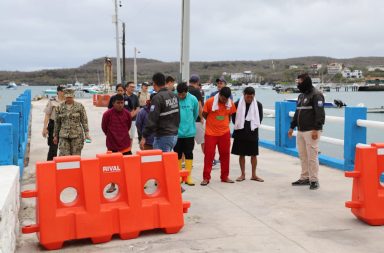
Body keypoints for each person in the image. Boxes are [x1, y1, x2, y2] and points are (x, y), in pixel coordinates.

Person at [288, 73, 325, 190]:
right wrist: (292, 127)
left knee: (312, 156)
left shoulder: (317, 95)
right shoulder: (301, 96)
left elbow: (320, 114)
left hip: (311, 131)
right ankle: (305, 177)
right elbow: (297, 113)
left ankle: (314, 180)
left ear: (306, 82)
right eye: (297, 82)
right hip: (300, 131)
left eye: (299, 82)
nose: (298, 84)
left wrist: (316, 128)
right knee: (303, 156)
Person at [201, 87, 236, 186]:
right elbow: (204, 114)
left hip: (224, 133)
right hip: (211, 133)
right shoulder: (210, 102)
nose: (224, 101)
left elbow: (230, 115)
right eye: (223, 99)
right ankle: (206, 178)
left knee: (225, 155)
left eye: (226, 99)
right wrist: (213, 122)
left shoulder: (230, 103)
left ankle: (225, 177)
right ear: (219, 94)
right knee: (209, 155)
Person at [140, 72, 180, 152]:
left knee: (160, 163)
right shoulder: (174, 95)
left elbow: (152, 119)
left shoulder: (157, 98)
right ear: (164, 82)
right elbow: (178, 116)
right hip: (174, 135)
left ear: (154, 84)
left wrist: (144, 136)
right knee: (166, 161)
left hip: (163, 137)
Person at [231, 87, 264, 182]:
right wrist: (242, 125)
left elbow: (259, 119)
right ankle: (242, 174)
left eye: (251, 97)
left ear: (254, 95)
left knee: (254, 154)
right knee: (242, 154)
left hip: (252, 132)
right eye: (248, 97)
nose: (249, 99)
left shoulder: (258, 105)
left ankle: (254, 175)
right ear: (243, 95)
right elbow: (234, 119)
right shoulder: (237, 104)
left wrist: (250, 126)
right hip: (240, 132)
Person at [174, 82, 198, 186]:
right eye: (178, 94)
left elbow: (195, 113)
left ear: (186, 92)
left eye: (182, 94)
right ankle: (179, 175)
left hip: (189, 133)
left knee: (189, 153)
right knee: (177, 154)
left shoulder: (193, 99)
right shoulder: (174, 98)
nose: (180, 96)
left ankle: (188, 176)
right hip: (177, 133)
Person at [53, 89, 90, 156]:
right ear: (65, 97)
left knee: (76, 156)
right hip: (63, 135)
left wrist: (87, 134)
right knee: (64, 156)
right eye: (67, 97)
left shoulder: (79, 106)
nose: (69, 99)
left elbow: (84, 121)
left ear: (73, 96)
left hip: (77, 135)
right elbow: (57, 123)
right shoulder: (59, 107)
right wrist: (55, 136)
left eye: (70, 97)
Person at [42, 85, 65, 160]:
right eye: (61, 91)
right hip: (53, 125)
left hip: (65, 126)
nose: (63, 92)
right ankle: (50, 165)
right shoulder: (52, 101)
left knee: (65, 148)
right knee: (53, 148)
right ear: (58, 92)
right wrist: (45, 128)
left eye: (64, 90)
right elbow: (47, 115)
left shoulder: (68, 101)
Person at [188, 74, 205, 152]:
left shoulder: (185, 90)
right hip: (197, 120)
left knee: (187, 143)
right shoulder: (196, 91)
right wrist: (201, 118)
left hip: (187, 121)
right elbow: (199, 107)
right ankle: (209, 159)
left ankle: (184, 162)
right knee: (203, 141)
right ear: (197, 82)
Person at [125, 81, 140, 147]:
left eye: (133, 87)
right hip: (123, 120)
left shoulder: (135, 97)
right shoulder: (123, 96)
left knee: (131, 136)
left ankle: (129, 149)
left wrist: (132, 115)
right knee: (123, 136)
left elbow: (138, 108)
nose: (133, 88)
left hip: (132, 120)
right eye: (131, 87)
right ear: (126, 88)